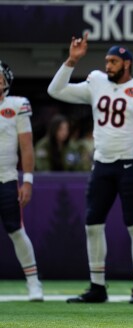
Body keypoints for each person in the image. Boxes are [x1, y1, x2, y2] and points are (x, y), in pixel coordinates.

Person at [47, 32, 133, 304]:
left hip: (130, 163)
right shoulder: (96, 81)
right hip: (102, 165)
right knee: (92, 225)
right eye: (106, 61)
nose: (107, 65)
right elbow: (56, 90)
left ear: (126, 64)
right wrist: (72, 61)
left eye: (113, 61)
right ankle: (97, 285)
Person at [0, 60, 43, 302]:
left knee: (16, 231)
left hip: (5, 178)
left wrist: (27, 180)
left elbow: (26, 146)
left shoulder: (16, 105)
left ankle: (33, 282)